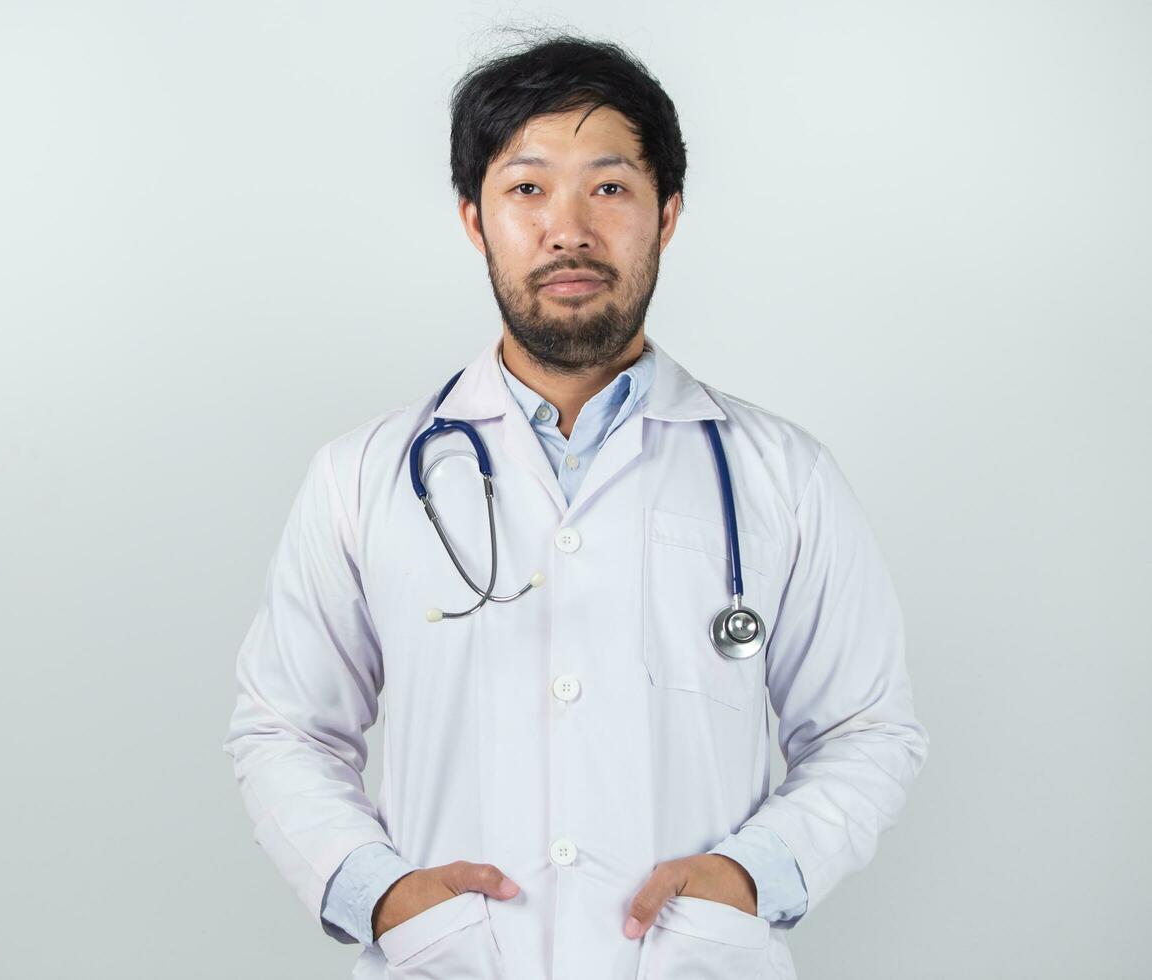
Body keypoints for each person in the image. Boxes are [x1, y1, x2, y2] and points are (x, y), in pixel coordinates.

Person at [223, 32, 928, 980]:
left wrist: (755, 876)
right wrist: (375, 892)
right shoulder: (362, 476)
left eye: (608, 186)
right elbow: (285, 728)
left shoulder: (781, 475)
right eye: (526, 188)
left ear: (666, 215)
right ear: (474, 219)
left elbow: (864, 729)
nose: (569, 231)